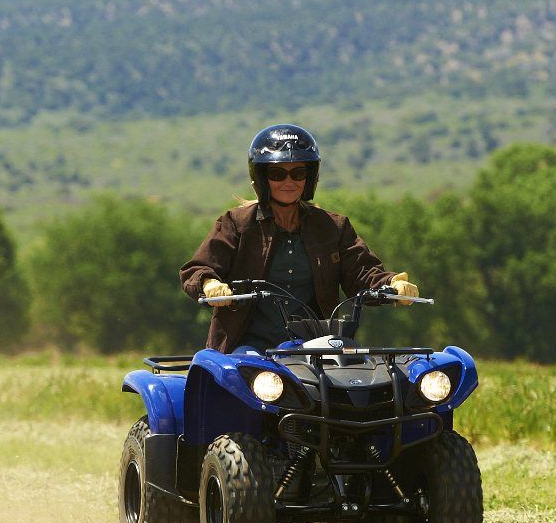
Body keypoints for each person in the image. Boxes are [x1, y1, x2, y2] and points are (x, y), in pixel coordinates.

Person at [180, 124, 419, 352]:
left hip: (316, 345)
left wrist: (393, 285)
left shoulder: (333, 227)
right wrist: (210, 285)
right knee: (244, 377)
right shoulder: (236, 223)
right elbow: (198, 268)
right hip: (247, 345)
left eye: (298, 173)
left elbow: (363, 273)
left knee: (359, 380)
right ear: (262, 178)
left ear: (309, 177)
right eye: (277, 173)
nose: (288, 182)